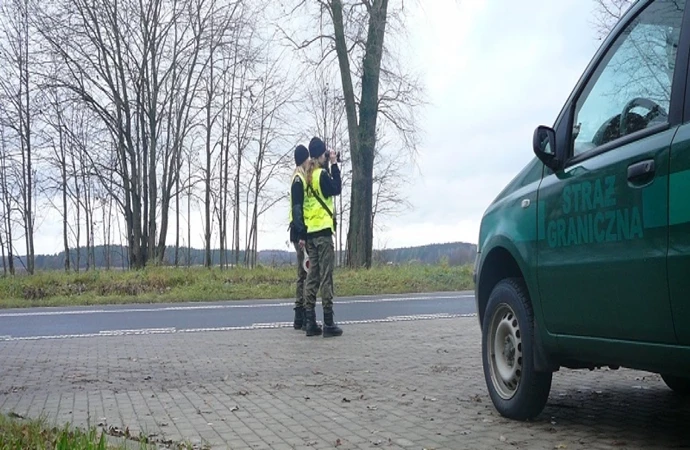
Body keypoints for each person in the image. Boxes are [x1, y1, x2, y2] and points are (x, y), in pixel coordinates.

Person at [302, 136, 343, 337]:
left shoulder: (307, 176)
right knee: (326, 277)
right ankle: (328, 322)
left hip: (311, 233)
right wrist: (334, 164)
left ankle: (310, 321)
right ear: (322, 154)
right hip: (324, 234)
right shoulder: (321, 175)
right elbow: (336, 188)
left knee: (312, 277)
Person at [288, 144, 310, 330]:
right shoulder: (298, 180)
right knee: (303, 273)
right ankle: (301, 314)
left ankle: (299, 316)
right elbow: (297, 208)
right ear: (304, 159)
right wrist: (302, 233)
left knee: (302, 272)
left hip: (297, 231)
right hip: (299, 233)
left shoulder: (298, 178)